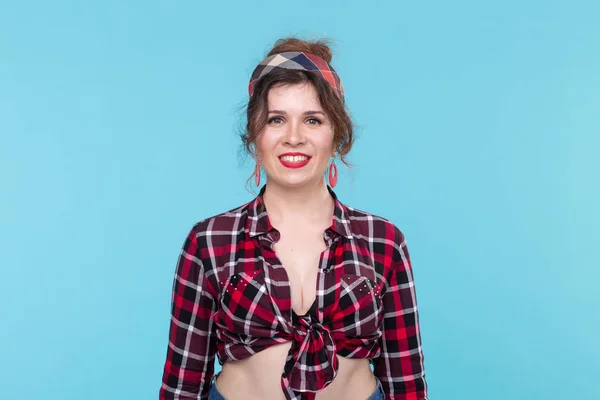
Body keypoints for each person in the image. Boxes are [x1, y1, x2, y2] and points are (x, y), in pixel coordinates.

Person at [159, 37, 428, 400]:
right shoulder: (209, 240)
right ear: (255, 136)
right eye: (276, 120)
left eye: (313, 120)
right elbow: (182, 384)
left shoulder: (384, 240)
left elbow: (406, 383)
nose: (294, 137)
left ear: (337, 136)